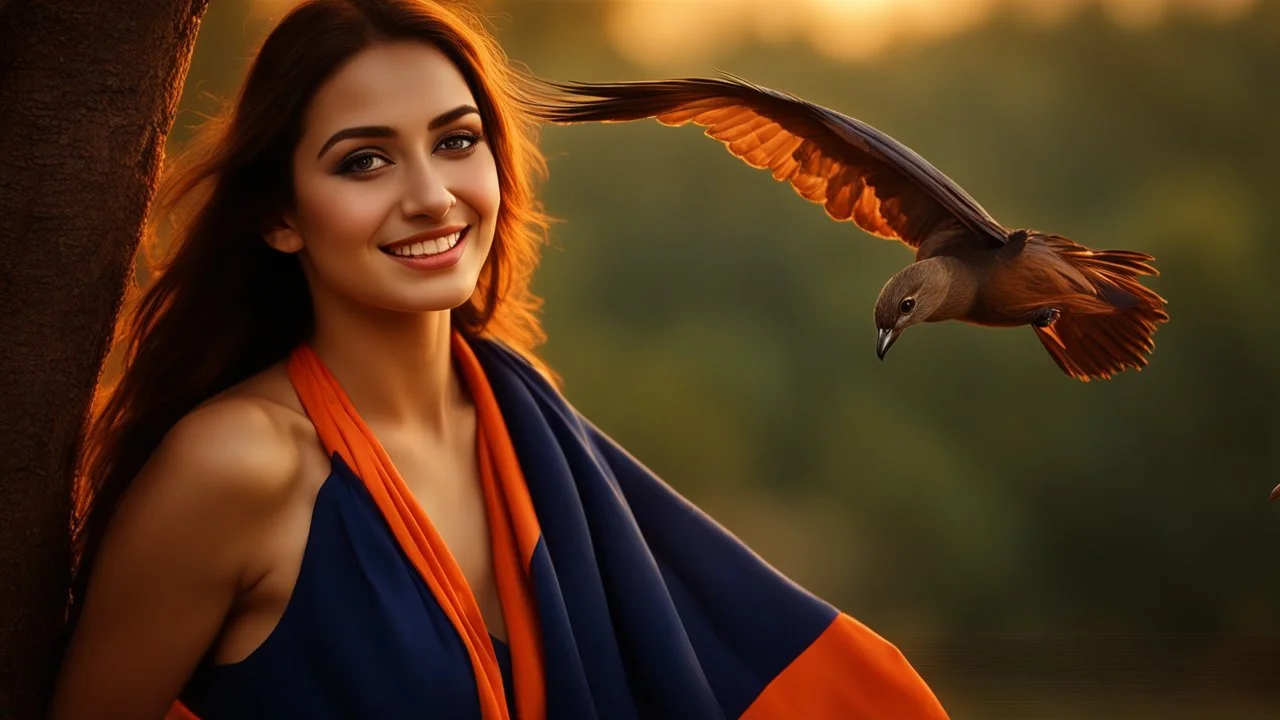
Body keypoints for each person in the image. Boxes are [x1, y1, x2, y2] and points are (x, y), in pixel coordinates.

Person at [49, 1, 951, 718]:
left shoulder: (524, 423)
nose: (432, 197)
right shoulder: (237, 466)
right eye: (364, 162)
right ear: (279, 217)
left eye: (456, 140)